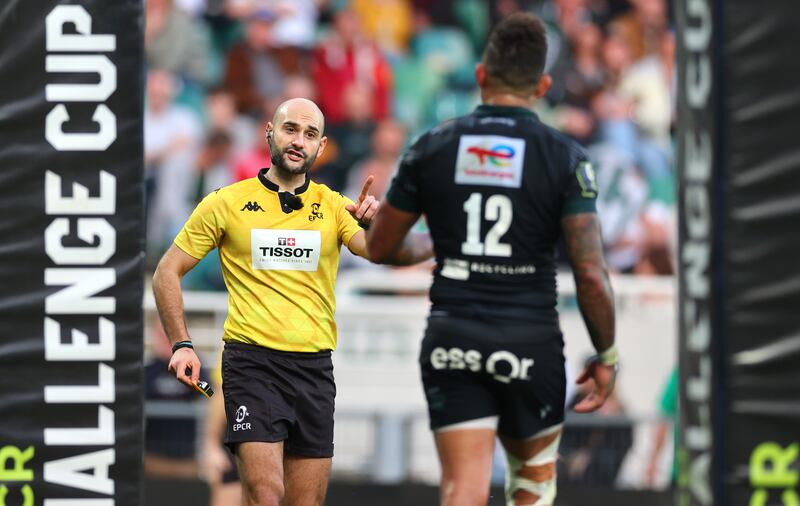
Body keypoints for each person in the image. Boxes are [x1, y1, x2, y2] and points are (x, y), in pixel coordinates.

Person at [367, 13, 618, 506]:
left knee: (463, 489)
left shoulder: (431, 147)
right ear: (543, 85)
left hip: (454, 335)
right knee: (532, 487)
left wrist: (444, 239)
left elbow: (381, 247)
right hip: (530, 340)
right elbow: (590, 272)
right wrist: (606, 354)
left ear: (481, 75)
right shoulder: (566, 157)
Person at [152, 97, 432, 506]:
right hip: (252, 363)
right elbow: (166, 272)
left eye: (310, 133)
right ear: (269, 131)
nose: (299, 140)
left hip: (313, 368)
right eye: (290, 129)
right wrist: (181, 343)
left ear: (321, 146)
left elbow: (385, 254)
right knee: (266, 494)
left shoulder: (335, 206)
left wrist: (384, 227)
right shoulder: (225, 202)